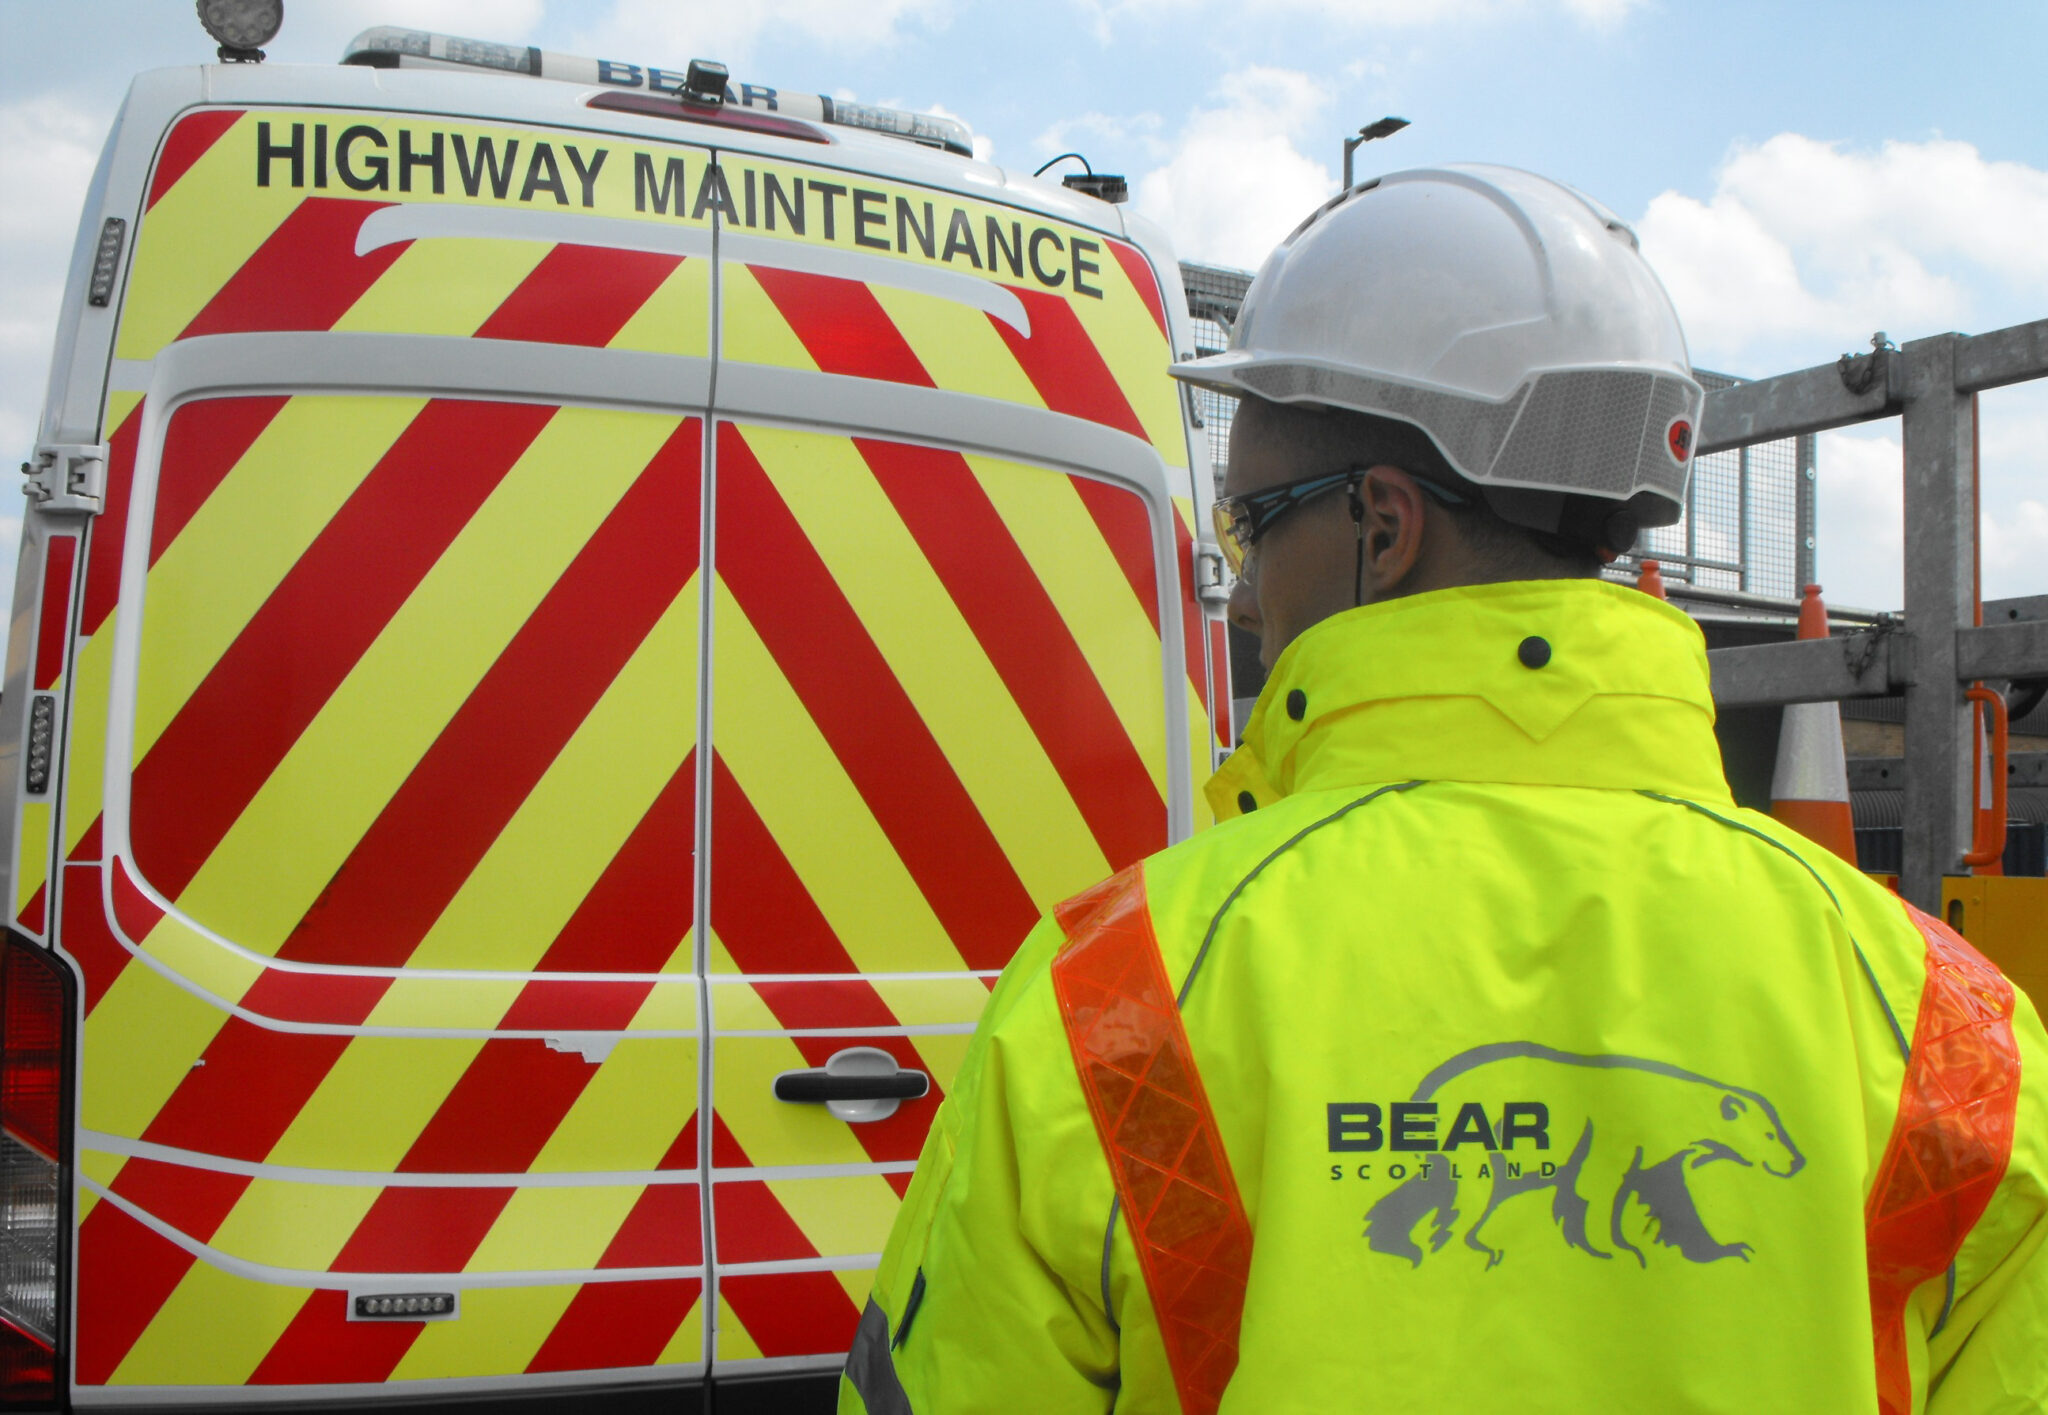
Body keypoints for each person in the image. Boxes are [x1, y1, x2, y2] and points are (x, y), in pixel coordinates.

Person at [840, 165, 2048, 1414]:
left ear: (1380, 525)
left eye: (1251, 523)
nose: (1238, 590)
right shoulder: (1947, 1034)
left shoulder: (1126, 994)